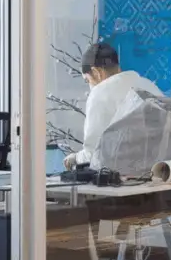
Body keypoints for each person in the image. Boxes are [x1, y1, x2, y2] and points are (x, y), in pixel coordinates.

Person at [64, 42, 162, 170]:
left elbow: (93, 154)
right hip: (157, 171)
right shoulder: (147, 85)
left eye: (88, 80)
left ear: (96, 72)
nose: (89, 85)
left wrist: (75, 158)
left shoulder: (100, 93)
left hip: (122, 177)